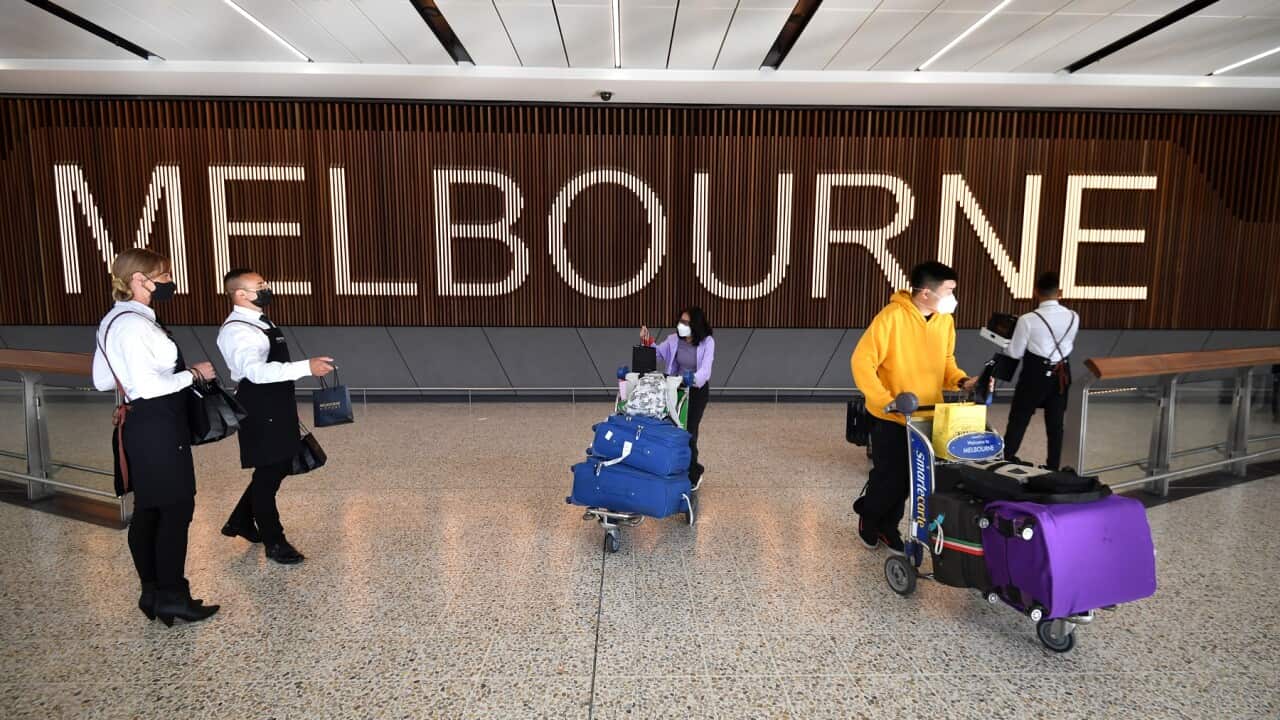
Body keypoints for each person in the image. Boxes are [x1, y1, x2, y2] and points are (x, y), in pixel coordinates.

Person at [92, 248, 220, 626]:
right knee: (176, 510)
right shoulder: (135, 325)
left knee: (150, 510)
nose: (168, 281)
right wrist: (194, 374)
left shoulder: (114, 321)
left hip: (141, 425)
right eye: (162, 275)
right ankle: (173, 596)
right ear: (138, 280)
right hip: (158, 424)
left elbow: (102, 379)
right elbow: (149, 386)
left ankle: (152, 593)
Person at [851, 261, 978, 554]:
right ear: (924, 294)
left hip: (929, 415)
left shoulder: (944, 321)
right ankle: (868, 515)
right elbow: (861, 362)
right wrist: (885, 401)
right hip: (892, 416)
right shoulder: (891, 317)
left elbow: (946, 362)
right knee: (889, 476)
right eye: (948, 291)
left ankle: (888, 526)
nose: (953, 298)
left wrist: (961, 381)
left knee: (912, 479)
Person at [217, 269, 333, 565]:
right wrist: (306, 367)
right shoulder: (237, 330)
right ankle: (274, 541)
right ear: (240, 294)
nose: (267, 289)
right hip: (259, 405)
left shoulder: (261, 321)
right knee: (269, 473)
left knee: (278, 465)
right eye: (260, 286)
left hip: (276, 402)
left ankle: (241, 519)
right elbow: (255, 372)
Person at [1002, 272, 1079, 471]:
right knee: (1056, 423)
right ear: (1059, 292)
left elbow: (1015, 352)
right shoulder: (1073, 316)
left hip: (1035, 373)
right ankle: (1054, 466)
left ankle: (1006, 458)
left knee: (1019, 417)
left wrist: (1003, 343)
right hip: (1062, 373)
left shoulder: (1028, 319)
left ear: (1036, 292)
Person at [640, 307, 715, 490]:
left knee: (689, 431)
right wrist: (647, 341)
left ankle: (693, 473)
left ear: (696, 325)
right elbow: (657, 353)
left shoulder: (707, 342)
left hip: (696, 390)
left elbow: (706, 369)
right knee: (672, 428)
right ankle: (675, 467)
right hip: (675, 388)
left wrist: (693, 379)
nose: (682, 325)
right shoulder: (674, 339)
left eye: (687, 322)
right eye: (681, 321)